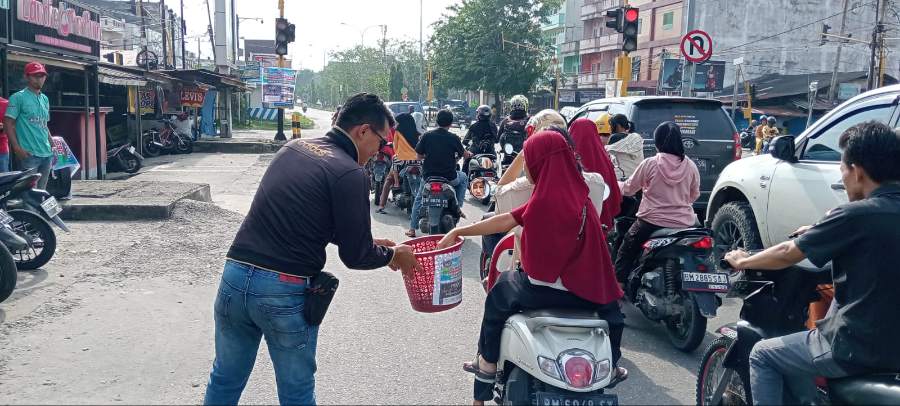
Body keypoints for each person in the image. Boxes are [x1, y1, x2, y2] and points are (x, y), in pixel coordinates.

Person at [203, 93, 419, 406]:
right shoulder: (349, 173)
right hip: (282, 290)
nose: (380, 152)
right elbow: (355, 256)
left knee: (224, 378)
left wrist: (370, 244)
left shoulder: (294, 147)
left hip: (234, 276)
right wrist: (393, 255)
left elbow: (301, 217)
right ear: (363, 131)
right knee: (296, 392)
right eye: (383, 142)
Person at [436, 130, 627, 405]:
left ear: (540, 162)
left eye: (530, 161)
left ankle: (487, 367)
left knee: (499, 294)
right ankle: (613, 366)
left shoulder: (541, 201)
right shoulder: (583, 198)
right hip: (587, 293)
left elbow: (503, 221)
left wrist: (458, 232)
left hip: (543, 292)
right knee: (614, 316)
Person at [724, 121, 900, 405]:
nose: (842, 178)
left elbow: (786, 253)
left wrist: (744, 260)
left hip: (857, 347)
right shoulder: (859, 216)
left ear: (857, 171)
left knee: (762, 354)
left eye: (842, 169)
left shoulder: (855, 215)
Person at [615, 122, 700, 282]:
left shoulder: (650, 163)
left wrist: (616, 184)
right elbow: (694, 195)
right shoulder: (690, 166)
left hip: (650, 222)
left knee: (626, 249)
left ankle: (618, 287)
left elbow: (629, 189)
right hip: (684, 224)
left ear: (658, 142)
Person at [406, 109, 471, 237]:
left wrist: (429, 156)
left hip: (429, 177)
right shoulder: (454, 138)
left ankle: (412, 229)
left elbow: (418, 156)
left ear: (436, 121)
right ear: (451, 123)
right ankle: (457, 205)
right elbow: (464, 154)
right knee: (463, 177)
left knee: (419, 198)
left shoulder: (427, 136)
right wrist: (469, 154)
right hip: (449, 178)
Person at [4, 62, 53, 189]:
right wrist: (16, 148)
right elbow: (8, 123)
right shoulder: (18, 97)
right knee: (29, 194)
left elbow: (44, 124)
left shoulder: (45, 99)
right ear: (27, 77)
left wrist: (53, 145)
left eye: (42, 75)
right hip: (29, 154)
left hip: (46, 153)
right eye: (35, 76)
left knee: (41, 193)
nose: (39, 79)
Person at [570, 117, 623, 229]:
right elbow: (614, 192)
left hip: (574, 222)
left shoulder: (568, 158)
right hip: (602, 220)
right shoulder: (604, 158)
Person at [376, 113, 421, 214]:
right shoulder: (417, 133)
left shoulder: (398, 132)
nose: (396, 124)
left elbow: (395, 147)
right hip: (416, 161)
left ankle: (381, 206)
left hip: (401, 160)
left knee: (388, 181)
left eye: (398, 122)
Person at [605, 114, 644, 180]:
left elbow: (606, 153)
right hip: (638, 177)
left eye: (611, 125)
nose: (610, 128)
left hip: (622, 179)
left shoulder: (614, 138)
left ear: (618, 126)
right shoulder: (637, 137)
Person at [462, 105, 498, 174]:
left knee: (465, 166)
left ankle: (465, 180)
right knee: (495, 169)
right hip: (491, 153)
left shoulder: (474, 126)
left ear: (479, 115)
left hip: (475, 153)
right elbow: (496, 140)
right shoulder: (493, 126)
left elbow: (465, 141)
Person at [0, 96, 10, 172]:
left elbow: (13, 126)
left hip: (1, 150)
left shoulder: (6, 104)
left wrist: (3, 127)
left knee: (3, 182)